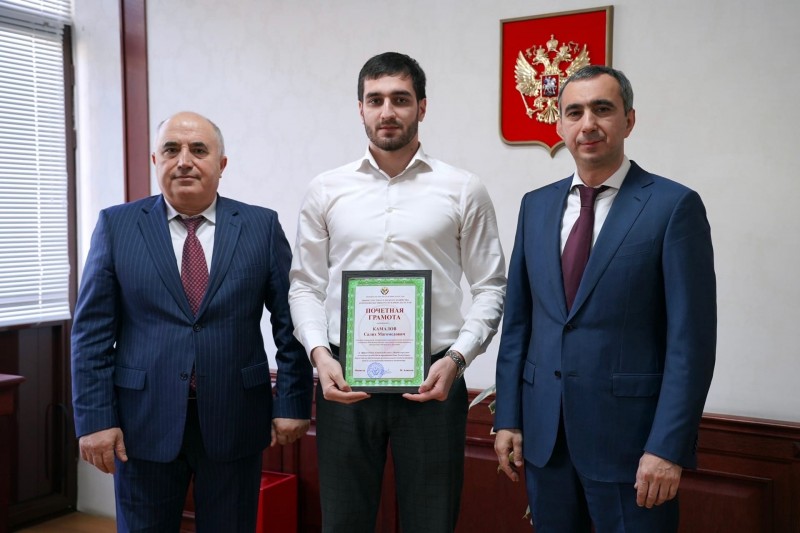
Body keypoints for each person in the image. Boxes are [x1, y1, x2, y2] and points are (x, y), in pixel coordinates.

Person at [288, 52, 506, 533]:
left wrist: (458, 360)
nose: (387, 111)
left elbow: (491, 287)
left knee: (431, 522)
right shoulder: (326, 189)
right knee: (343, 523)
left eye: (401, 99)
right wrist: (320, 356)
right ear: (360, 109)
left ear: (422, 107)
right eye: (375, 100)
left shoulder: (463, 189)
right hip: (344, 381)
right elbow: (304, 285)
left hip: (433, 381)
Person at [493, 65, 716, 533]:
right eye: (574, 112)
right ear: (560, 125)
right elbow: (519, 323)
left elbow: (690, 344)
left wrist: (667, 447)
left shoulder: (673, 206)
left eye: (602, 109)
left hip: (632, 449)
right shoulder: (536, 206)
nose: (588, 124)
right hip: (546, 442)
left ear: (628, 120)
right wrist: (509, 418)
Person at [71, 111, 313, 532]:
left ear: (221, 164)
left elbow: (290, 322)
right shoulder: (117, 226)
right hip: (142, 422)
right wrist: (95, 419)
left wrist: (292, 400)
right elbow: (91, 334)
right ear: (156, 160)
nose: (184, 161)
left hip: (236, 419)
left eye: (198, 150)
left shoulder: (260, 226)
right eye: (171, 150)